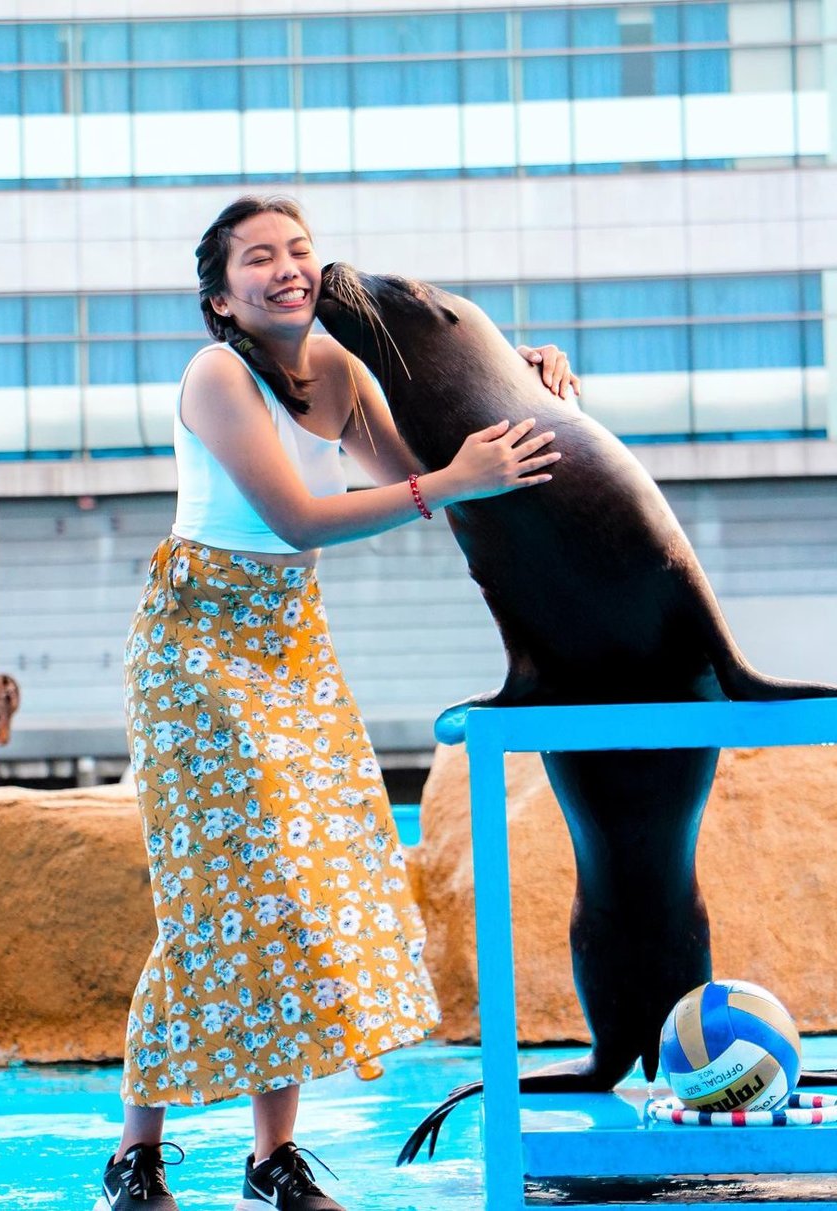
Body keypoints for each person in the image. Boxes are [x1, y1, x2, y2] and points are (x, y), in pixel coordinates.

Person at [94, 195, 577, 1211]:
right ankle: (136, 1156)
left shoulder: (343, 371)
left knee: (302, 886)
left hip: (290, 639)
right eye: (258, 257)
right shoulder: (218, 375)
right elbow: (302, 514)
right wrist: (450, 480)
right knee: (217, 893)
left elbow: (429, 476)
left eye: (298, 250)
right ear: (221, 298)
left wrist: (521, 385)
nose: (286, 268)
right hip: (197, 646)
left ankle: (272, 1157)